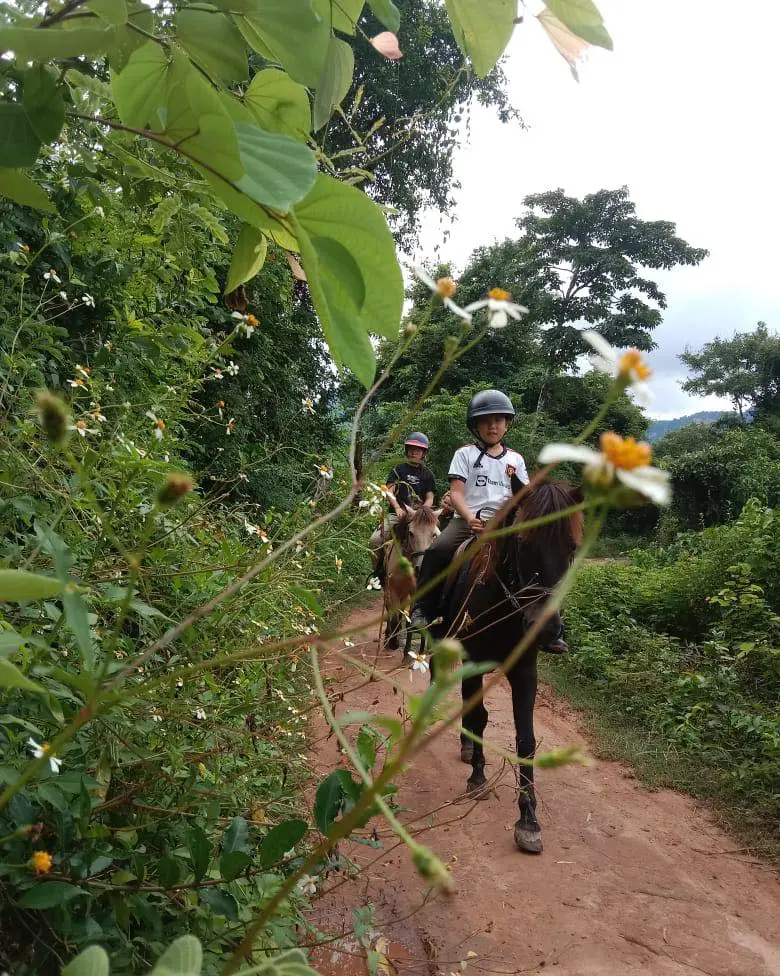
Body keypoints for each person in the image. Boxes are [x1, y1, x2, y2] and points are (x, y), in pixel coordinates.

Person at [411, 390, 527, 627]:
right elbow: (456, 493)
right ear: (475, 425)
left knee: (538, 554)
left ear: (507, 424)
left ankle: (544, 619)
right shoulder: (464, 454)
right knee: (437, 551)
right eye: (486, 421)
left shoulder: (516, 460)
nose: (492, 426)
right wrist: (470, 517)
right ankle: (422, 607)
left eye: (498, 420)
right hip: (467, 521)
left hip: (504, 524)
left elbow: (523, 496)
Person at [369, 433, 436, 582]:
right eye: (411, 449)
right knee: (375, 540)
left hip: (418, 518)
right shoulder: (398, 470)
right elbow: (389, 491)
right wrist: (397, 507)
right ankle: (379, 573)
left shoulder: (428, 474)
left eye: (418, 450)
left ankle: (431, 576)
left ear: (423, 453)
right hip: (397, 514)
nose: (414, 452)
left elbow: (430, 497)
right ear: (406, 450)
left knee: (438, 539)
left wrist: (422, 512)